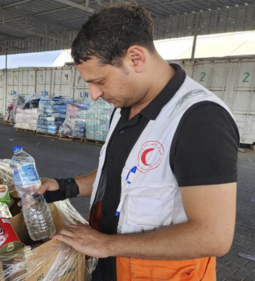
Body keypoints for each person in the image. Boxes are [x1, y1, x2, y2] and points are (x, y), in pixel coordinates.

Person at [40, 2, 239, 280]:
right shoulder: (125, 108)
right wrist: (64, 187)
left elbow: (214, 236)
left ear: (135, 58)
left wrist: (106, 244)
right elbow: (129, 176)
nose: (94, 94)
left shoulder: (200, 119)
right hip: (110, 265)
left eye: (99, 81)